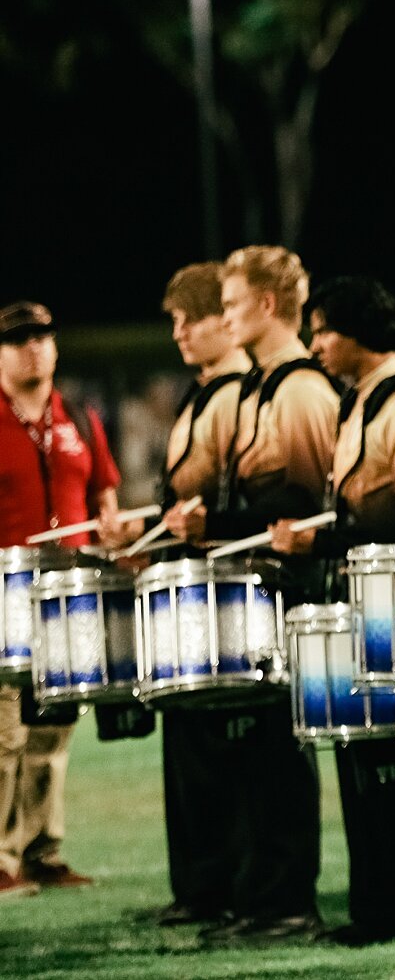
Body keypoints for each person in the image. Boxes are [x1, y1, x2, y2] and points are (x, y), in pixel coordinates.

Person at [276, 276, 395, 947]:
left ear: (359, 333)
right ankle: (374, 905)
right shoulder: (364, 400)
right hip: (363, 600)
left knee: (390, 761)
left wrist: (318, 538)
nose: (314, 341)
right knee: (360, 753)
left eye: (324, 329)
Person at [163, 247, 331, 944]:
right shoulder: (266, 385)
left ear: (265, 306)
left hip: (284, 587)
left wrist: (219, 525)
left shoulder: (297, 388)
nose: (224, 318)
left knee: (275, 750)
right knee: (252, 750)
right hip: (255, 584)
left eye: (231, 305)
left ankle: (285, 899)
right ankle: (256, 895)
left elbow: (299, 503)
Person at [111, 266, 251, 925]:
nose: (178, 333)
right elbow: (178, 502)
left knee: (221, 743)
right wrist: (143, 531)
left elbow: (218, 498)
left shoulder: (239, 393)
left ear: (222, 320)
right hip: (189, 587)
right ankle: (199, 885)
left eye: (186, 319)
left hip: (224, 590)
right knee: (189, 741)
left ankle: (221, 885)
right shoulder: (201, 395)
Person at [0, 301, 120, 899]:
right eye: (19, 339)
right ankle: (0, 859)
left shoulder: (78, 415)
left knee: (53, 729)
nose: (33, 348)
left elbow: (104, 501)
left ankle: (42, 849)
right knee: (3, 730)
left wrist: (114, 536)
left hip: (67, 593)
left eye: (42, 336)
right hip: (5, 591)